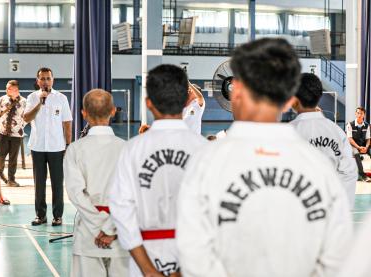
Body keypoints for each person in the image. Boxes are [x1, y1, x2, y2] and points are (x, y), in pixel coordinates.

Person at [176, 38, 352, 277]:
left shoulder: (205, 164)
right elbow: (335, 253)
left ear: (234, 90)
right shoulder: (320, 168)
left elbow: (192, 250)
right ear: (290, 99)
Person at [109, 64, 206, 277]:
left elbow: (121, 210)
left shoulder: (133, 149)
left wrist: (149, 271)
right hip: (193, 257)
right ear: (183, 101)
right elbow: (214, 213)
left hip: (144, 254)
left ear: (148, 103)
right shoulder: (205, 151)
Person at [64, 89, 128, 277]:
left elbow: (76, 194)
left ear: (83, 113)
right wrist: (110, 228)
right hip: (120, 233)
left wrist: (100, 225)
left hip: (88, 232)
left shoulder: (75, 149)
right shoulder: (127, 149)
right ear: (114, 111)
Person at [291, 73, 357, 209]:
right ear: (320, 96)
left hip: (297, 209)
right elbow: (348, 172)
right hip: (330, 208)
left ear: (293, 99)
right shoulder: (336, 131)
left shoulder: (286, 133)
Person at [23, 67, 72, 226]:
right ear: (37, 81)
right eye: (42, 78)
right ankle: (40, 215)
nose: (45, 81)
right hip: (37, 147)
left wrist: (68, 145)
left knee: (57, 184)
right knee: (39, 184)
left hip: (56, 147)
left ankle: (57, 216)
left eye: (48, 78)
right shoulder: (31, 98)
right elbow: (26, 117)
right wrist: (39, 103)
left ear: (53, 80)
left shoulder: (62, 98)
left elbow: (67, 124)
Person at [0, 80, 27, 187]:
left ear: (16, 90)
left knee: (13, 157)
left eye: (9, 88)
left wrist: (19, 126)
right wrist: (3, 125)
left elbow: (27, 117)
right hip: (2, 132)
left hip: (17, 134)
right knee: (1, 155)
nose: (6, 90)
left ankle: (11, 179)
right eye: (6, 88)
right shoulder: (1, 99)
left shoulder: (24, 102)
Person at [346, 107, 371, 182]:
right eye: (358, 113)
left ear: (364, 114)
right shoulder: (350, 124)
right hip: (352, 145)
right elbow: (350, 139)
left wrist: (366, 147)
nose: (360, 115)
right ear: (355, 114)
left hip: (363, 145)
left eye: (361, 113)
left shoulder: (367, 125)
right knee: (356, 153)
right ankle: (362, 175)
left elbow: (368, 139)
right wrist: (358, 147)